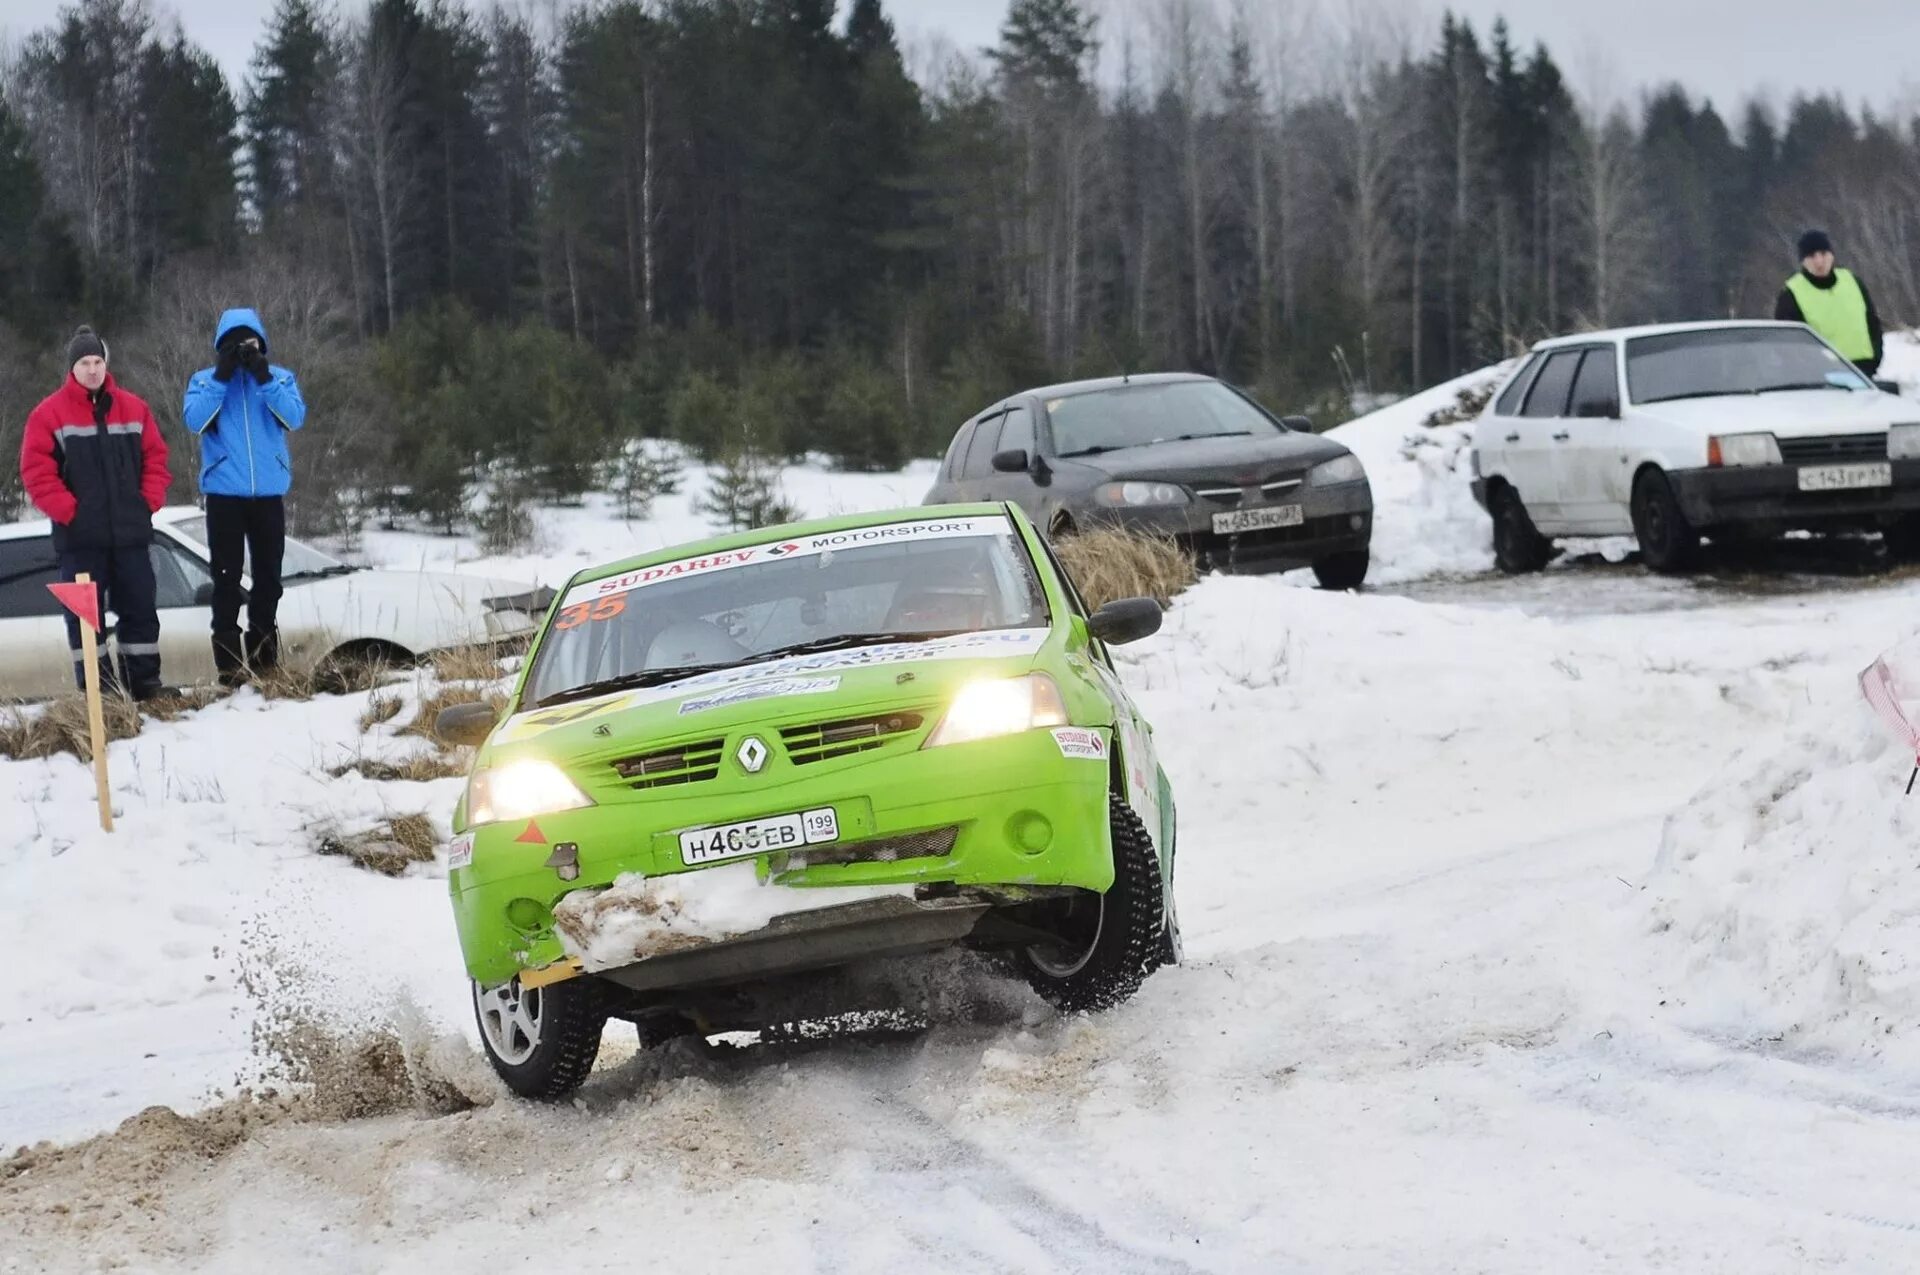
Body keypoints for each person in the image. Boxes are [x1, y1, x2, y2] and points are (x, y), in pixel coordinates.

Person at [18, 325, 173, 700]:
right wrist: (72, 513)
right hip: (80, 540)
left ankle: (146, 686)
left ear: (106, 364)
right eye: (85, 362)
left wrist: (146, 503)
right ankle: (99, 694)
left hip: (131, 536)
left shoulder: (134, 408)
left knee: (140, 609)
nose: (92, 369)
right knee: (86, 621)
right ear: (72, 368)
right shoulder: (48, 415)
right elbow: (36, 473)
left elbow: (157, 460)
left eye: (98, 361)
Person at [182, 308, 307, 687]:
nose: (243, 350)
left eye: (249, 343)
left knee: (269, 578)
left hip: (268, 493)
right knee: (226, 577)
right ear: (222, 346)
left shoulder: (279, 378)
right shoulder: (204, 381)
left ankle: (266, 662)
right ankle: (229, 666)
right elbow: (194, 421)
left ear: (261, 343)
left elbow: (295, 417)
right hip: (224, 494)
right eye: (235, 344)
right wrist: (222, 376)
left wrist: (263, 376)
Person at [1774, 229, 1885, 377]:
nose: (1819, 261)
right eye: (1812, 256)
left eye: (1823, 254)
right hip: (1821, 376)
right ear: (1803, 261)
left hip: (1863, 371)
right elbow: (1788, 342)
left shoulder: (1851, 280)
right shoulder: (1791, 292)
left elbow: (1872, 323)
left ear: (1832, 255)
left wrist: (1876, 358)